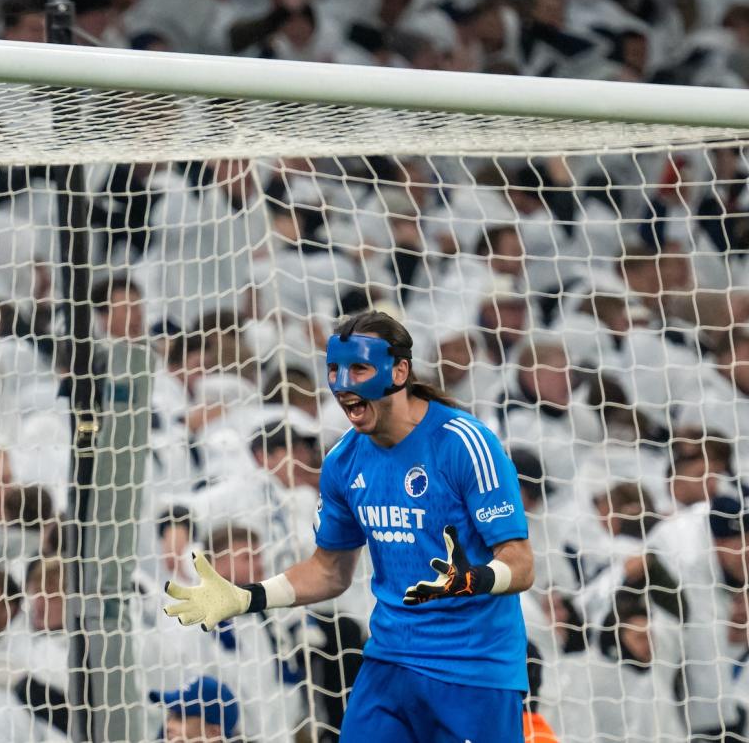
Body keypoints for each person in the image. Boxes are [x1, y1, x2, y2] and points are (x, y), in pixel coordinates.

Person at [164, 310, 534, 741]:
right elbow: (329, 571)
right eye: (335, 370)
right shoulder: (343, 461)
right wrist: (248, 596)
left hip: (474, 670)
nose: (343, 383)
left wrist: (474, 577)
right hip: (390, 664)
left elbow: (521, 565)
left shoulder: (466, 444)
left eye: (359, 368)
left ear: (400, 370)